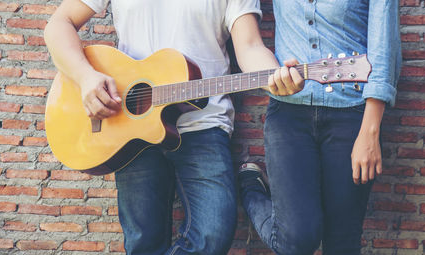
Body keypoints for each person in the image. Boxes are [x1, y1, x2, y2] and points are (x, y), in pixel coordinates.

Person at [44, 0, 303, 254]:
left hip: (205, 121)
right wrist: (85, 76)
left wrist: (275, 77)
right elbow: (59, 23)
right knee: (142, 242)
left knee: (213, 235)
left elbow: (250, 47)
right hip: (128, 123)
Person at [238, 0, 402, 254]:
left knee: (342, 240)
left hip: (351, 114)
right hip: (288, 115)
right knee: (295, 240)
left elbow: (384, 50)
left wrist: (370, 133)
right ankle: (251, 187)